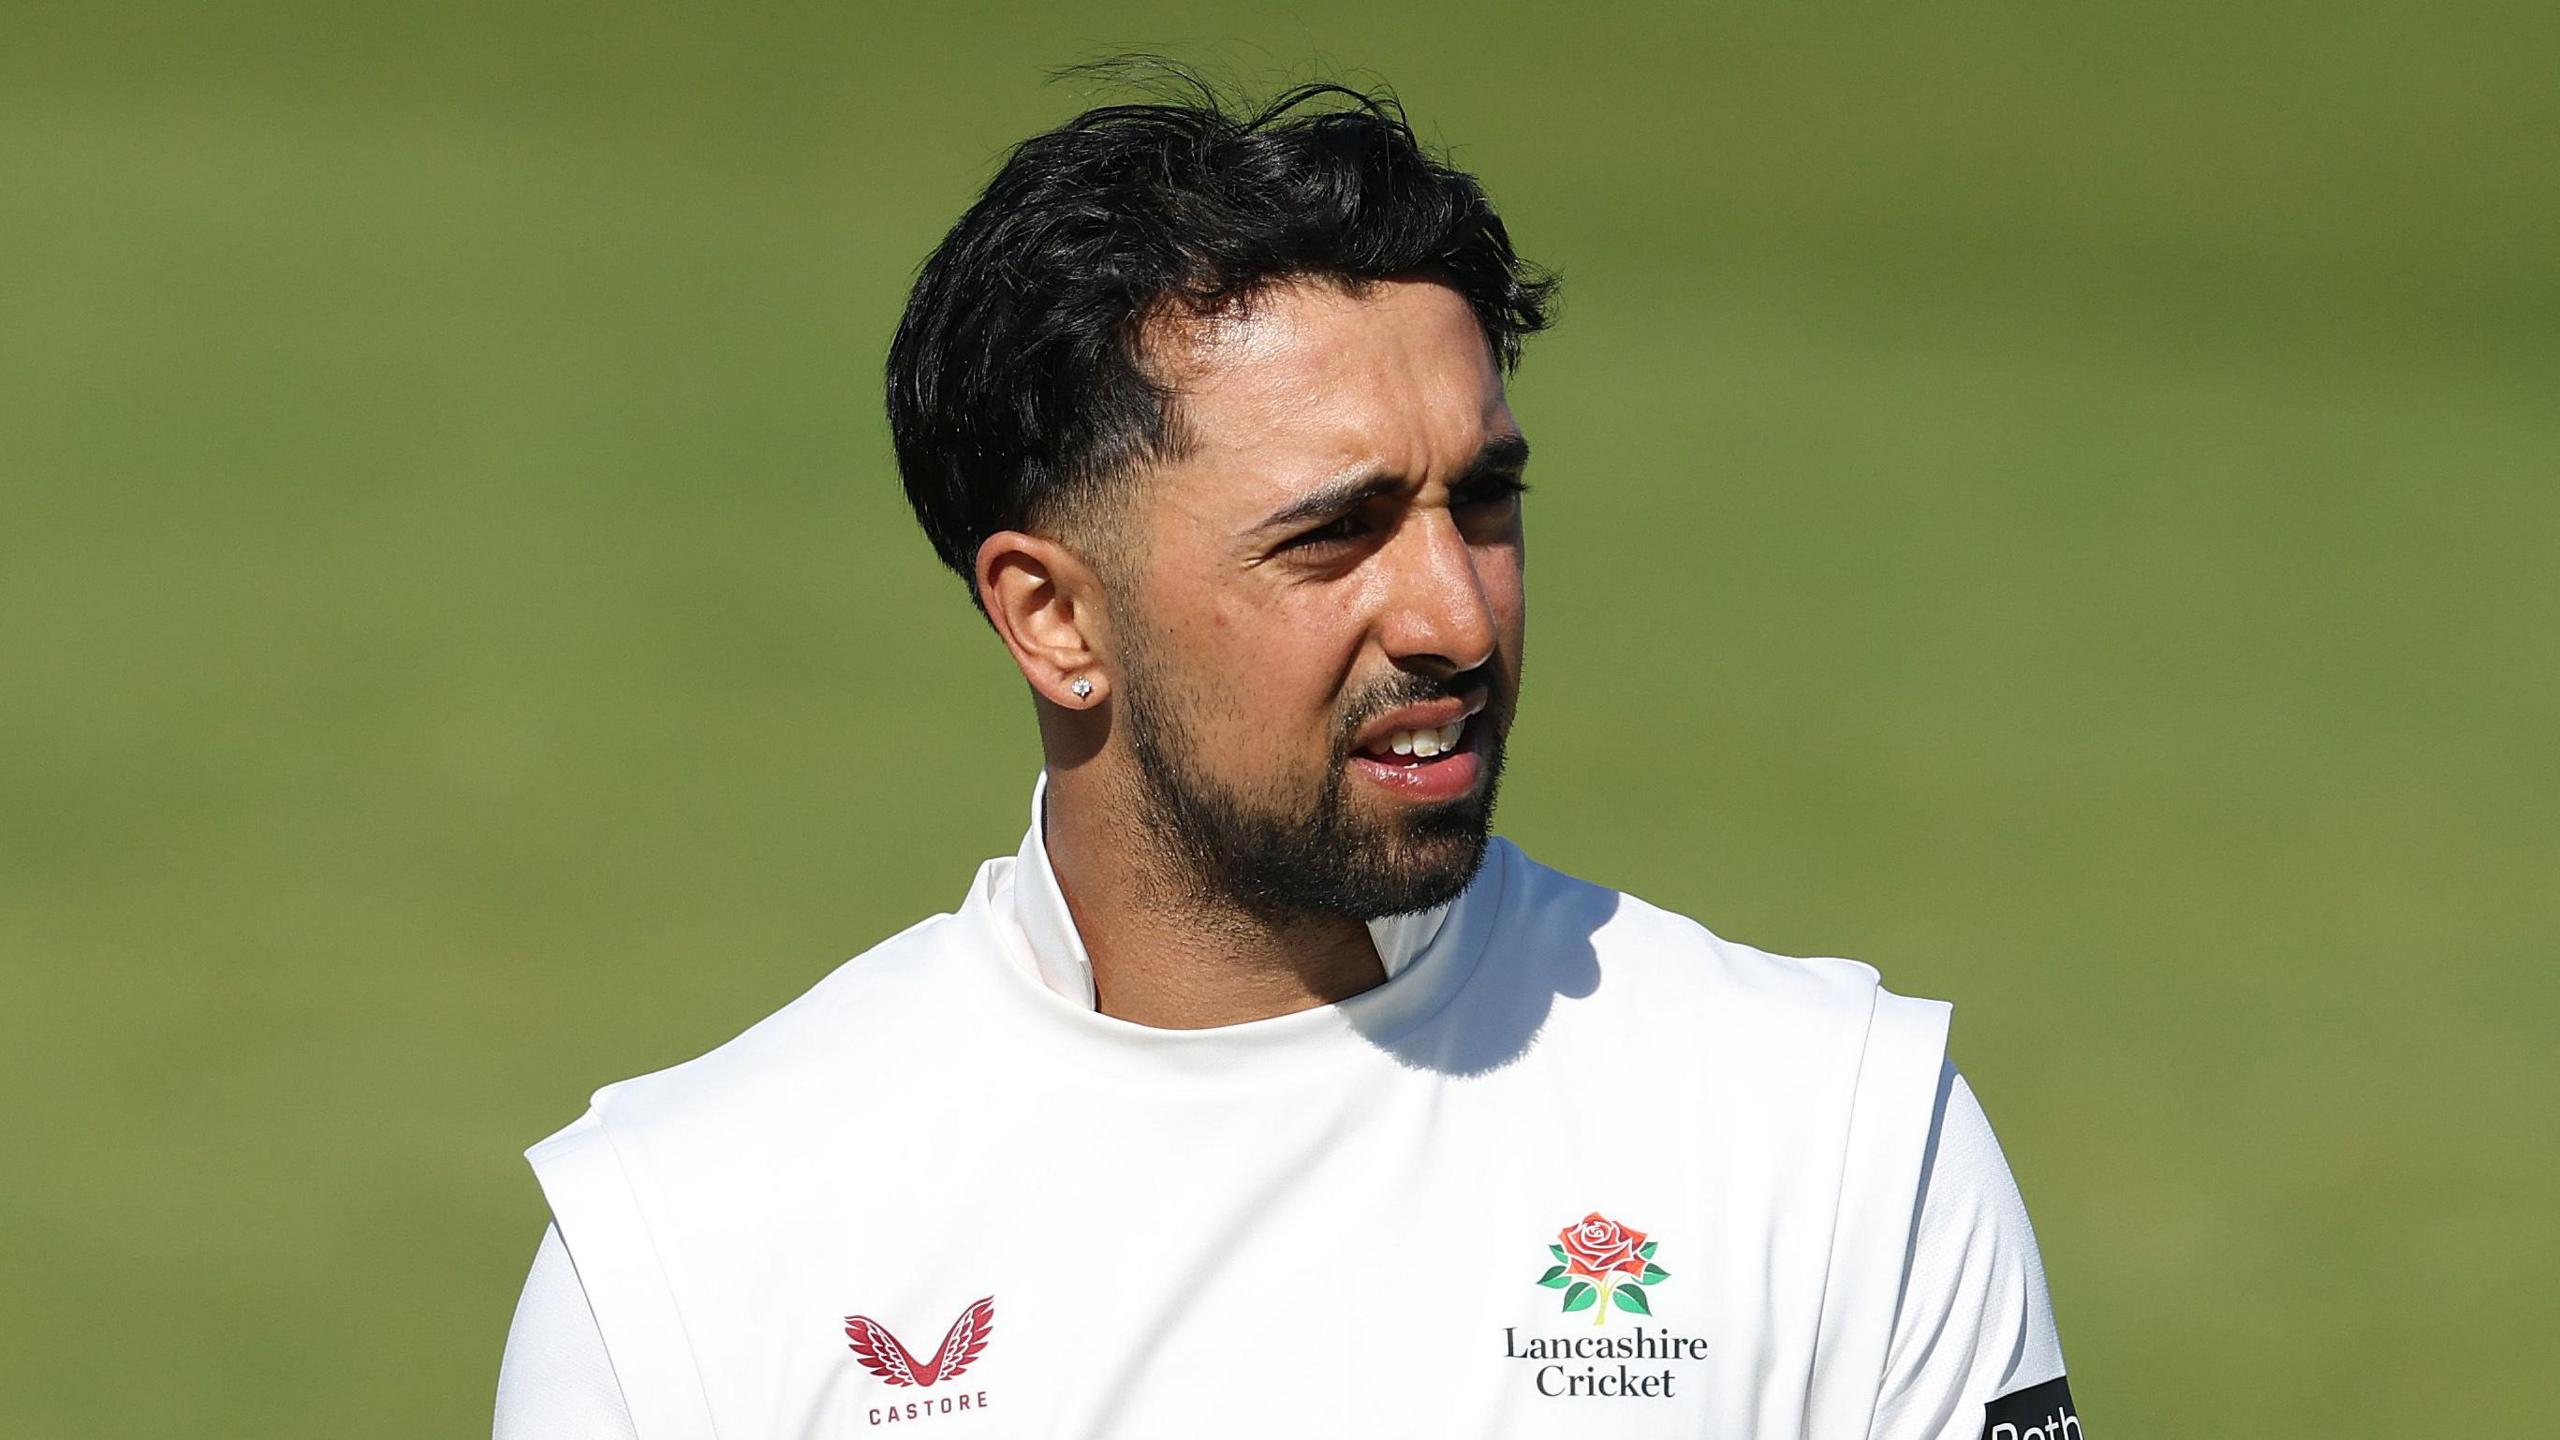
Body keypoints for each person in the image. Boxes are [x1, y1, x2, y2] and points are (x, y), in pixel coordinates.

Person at [493, 73, 2082, 1440]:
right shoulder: (683, 1258)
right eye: (1334, 534)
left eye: (1483, 502)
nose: (1455, 614)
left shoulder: (1839, 1139)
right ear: (1053, 617)